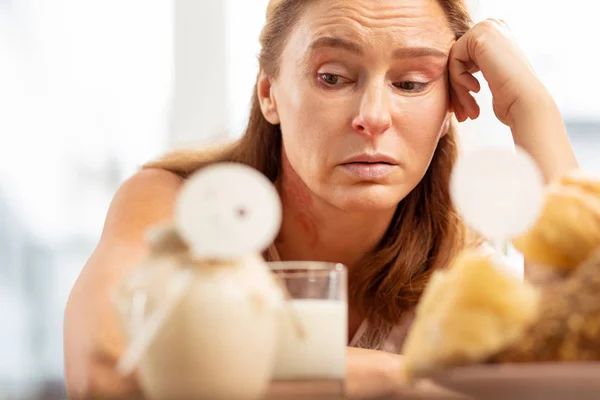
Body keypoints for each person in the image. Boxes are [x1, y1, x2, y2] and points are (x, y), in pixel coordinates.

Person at [64, 0, 578, 398]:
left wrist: (531, 108)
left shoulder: (460, 270)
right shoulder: (180, 210)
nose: (373, 116)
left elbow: (578, 364)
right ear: (269, 93)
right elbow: (105, 368)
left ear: (448, 108)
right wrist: (396, 376)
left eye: (412, 82)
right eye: (332, 77)